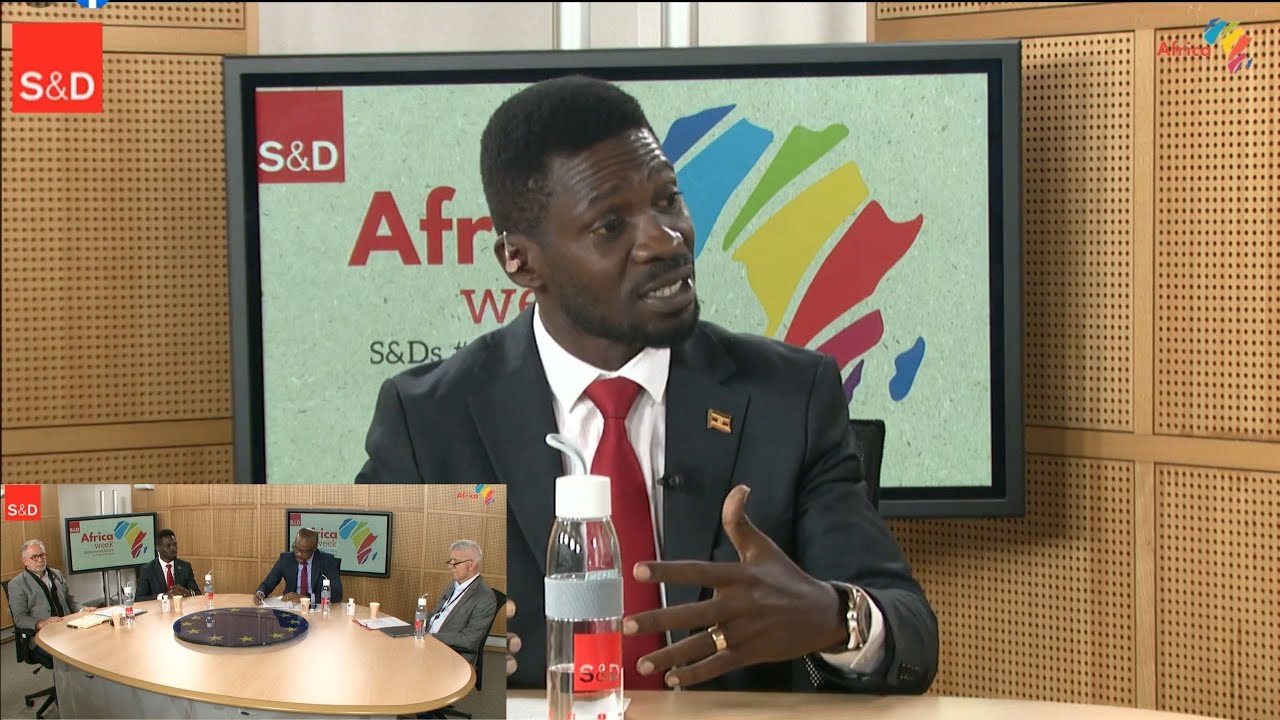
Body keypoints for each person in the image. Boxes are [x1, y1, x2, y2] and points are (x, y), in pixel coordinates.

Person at [355, 74, 938, 695]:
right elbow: (353, 635)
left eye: (667, 199)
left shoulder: (790, 398)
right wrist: (416, 650)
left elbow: (911, 635)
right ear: (520, 260)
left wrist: (835, 616)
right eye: (610, 226)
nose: (666, 238)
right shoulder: (428, 422)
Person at [9, 540, 96, 665]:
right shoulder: (17, 584)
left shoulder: (57, 574)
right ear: (25, 561)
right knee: (73, 651)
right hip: (43, 635)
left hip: (67, 626)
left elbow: (69, 600)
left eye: (42, 555)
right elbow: (20, 618)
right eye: (34, 557)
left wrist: (82, 609)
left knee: (94, 641)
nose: (40, 559)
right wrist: (42, 623)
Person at [424, 540, 499, 666]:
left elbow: (469, 640)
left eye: (456, 562)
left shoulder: (485, 597)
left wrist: (431, 636)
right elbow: (436, 613)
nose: (450, 566)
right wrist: (416, 625)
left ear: (471, 565)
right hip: (427, 641)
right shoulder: (453, 585)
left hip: (450, 652)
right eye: (450, 561)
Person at [253, 528, 343, 606]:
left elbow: (337, 595)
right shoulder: (285, 559)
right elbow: (268, 583)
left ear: (314, 548)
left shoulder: (327, 561)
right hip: (290, 607)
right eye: (296, 548)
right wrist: (260, 593)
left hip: (316, 608)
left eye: (304, 551)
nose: (298, 554)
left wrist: (303, 598)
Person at [135, 528, 200, 601]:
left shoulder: (185, 567)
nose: (173, 548)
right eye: (168, 546)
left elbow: (197, 593)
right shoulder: (147, 570)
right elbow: (139, 598)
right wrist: (163, 596)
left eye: (175, 544)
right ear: (158, 548)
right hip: (158, 608)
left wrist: (186, 592)